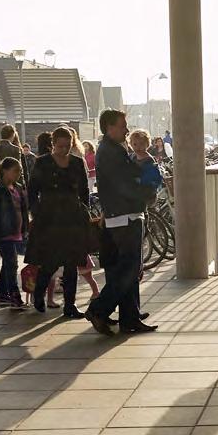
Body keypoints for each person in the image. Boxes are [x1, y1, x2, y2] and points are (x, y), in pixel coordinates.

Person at [85, 109, 158, 335]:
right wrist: (147, 192)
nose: (127, 129)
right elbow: (124, 185)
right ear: (109, 127)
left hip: (123, 214)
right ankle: (99, 309)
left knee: (127, 269)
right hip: (125, 215)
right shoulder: (111, 152)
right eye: (122, 125)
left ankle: (130, 317)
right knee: (129, 269)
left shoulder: (112, 149)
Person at [25, 127, 91, 318]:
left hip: (72, 216)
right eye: (60, 146)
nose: (64, 150)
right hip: (49, 216)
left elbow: (84, 190)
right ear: (52, 145)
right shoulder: (43, 162)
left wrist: (84, 211)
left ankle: (70, 305)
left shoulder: (77, 163)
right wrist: (35, 211)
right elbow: (32, 189)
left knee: (72, 263)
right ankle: (39, 294)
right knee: (50, 261)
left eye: (67, 146)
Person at [0, 157, 28, 309]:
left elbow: (23, 209)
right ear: (5, 170)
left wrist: (25, 229)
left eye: (20, 171)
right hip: (4, 233)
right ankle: (14, 295)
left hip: (17, 231)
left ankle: (2, 295)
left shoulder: (18, 187)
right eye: (15, 171)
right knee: (12, 264)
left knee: (8, 264)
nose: (18, 174)